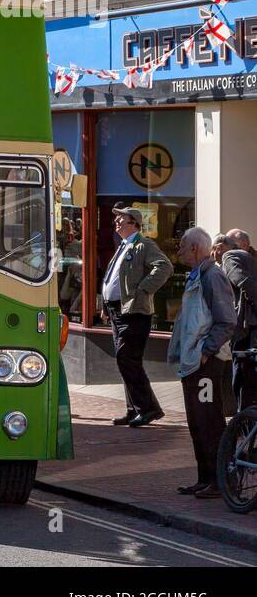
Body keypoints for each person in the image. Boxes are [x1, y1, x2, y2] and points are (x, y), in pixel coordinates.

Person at [168, 227, 236, 499]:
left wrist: (206, 351)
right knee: (197, 421)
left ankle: (220, 482)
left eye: (182, 245)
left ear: (195, 248)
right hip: (194, 360)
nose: (179, 250)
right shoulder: (196, 275)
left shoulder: (212, 276)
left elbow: (226, 322)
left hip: (207, 362)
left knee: (210, 419)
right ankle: (204, 478)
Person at [101, 207, 173, 428]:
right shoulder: (123, 245)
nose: (116, 221)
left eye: (120, 218)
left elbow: (165, 267)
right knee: (125, 362)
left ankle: (148, 409)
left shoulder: (144, 244)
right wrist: (106, 304)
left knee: (127, 359)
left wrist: (142, 290)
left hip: (133, 312)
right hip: (117, 311)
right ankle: (133, 410)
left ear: (133, 222)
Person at [216, 233, 257, 411]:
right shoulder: (249, 257)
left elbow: (243, 281)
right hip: (250, 327)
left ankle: (242, 424)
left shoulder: (229, 256)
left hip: (246, 328)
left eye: (213, 249)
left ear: (219, 247)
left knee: (242, 377)